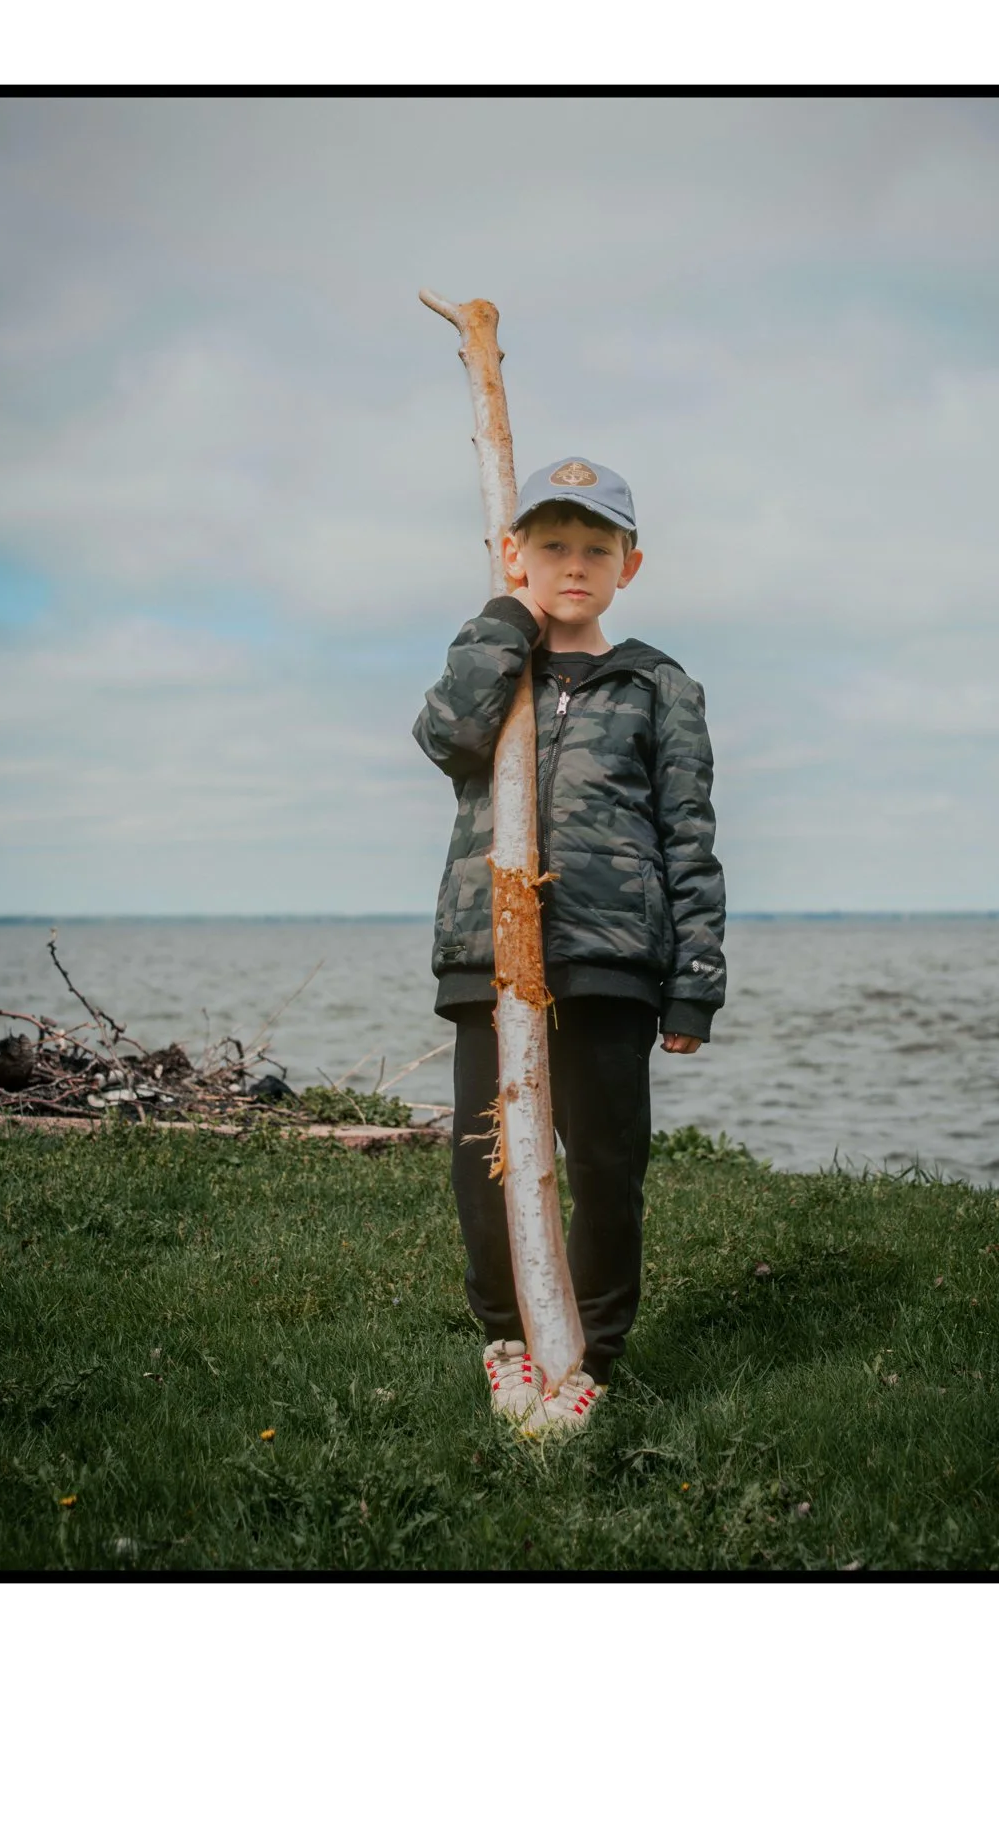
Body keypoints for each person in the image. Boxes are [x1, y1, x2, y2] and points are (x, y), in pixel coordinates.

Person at [412, 456, 726, 1436]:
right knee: (486, 1160)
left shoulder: (659, 684)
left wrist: (692, 983)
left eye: (597, 547)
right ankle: (508, 1342)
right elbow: (445, 736)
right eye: (552, 546)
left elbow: (688, 835)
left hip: (609, 961)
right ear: (515, 554)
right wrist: (504, 623)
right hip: (490, 954)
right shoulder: (495, 662)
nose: (574, 565)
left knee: (603, 1165)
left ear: (630, 564)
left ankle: (591, 1356)